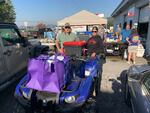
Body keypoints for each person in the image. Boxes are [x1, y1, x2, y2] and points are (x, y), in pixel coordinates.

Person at [86, 26, 105, 96]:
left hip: (96, 57)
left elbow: (102, 49)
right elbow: (86, 46)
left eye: (95, 31)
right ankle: (89, 90)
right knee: (88, 73)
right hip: (89, 57)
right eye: (93, 31)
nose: (94, 32)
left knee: (97, 74)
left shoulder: (99, 39)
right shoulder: (90, 39)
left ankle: (97, 91)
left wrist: (95, 53)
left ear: (97, 32)